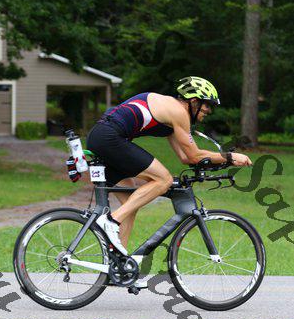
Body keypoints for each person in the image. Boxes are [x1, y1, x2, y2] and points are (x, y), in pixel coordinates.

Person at [86, 76, 252, 259]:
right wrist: (230, 156)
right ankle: (110, 221)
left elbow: (185, 157)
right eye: (207, 105)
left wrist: (223, 162)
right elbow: (194, 155)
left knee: (129, 204)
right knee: (163, 179)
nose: (209, 111)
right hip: (109, 138)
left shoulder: (171, 115)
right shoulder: (178, 112)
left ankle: (118, 263)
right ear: (194, 101)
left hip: (101, 137)